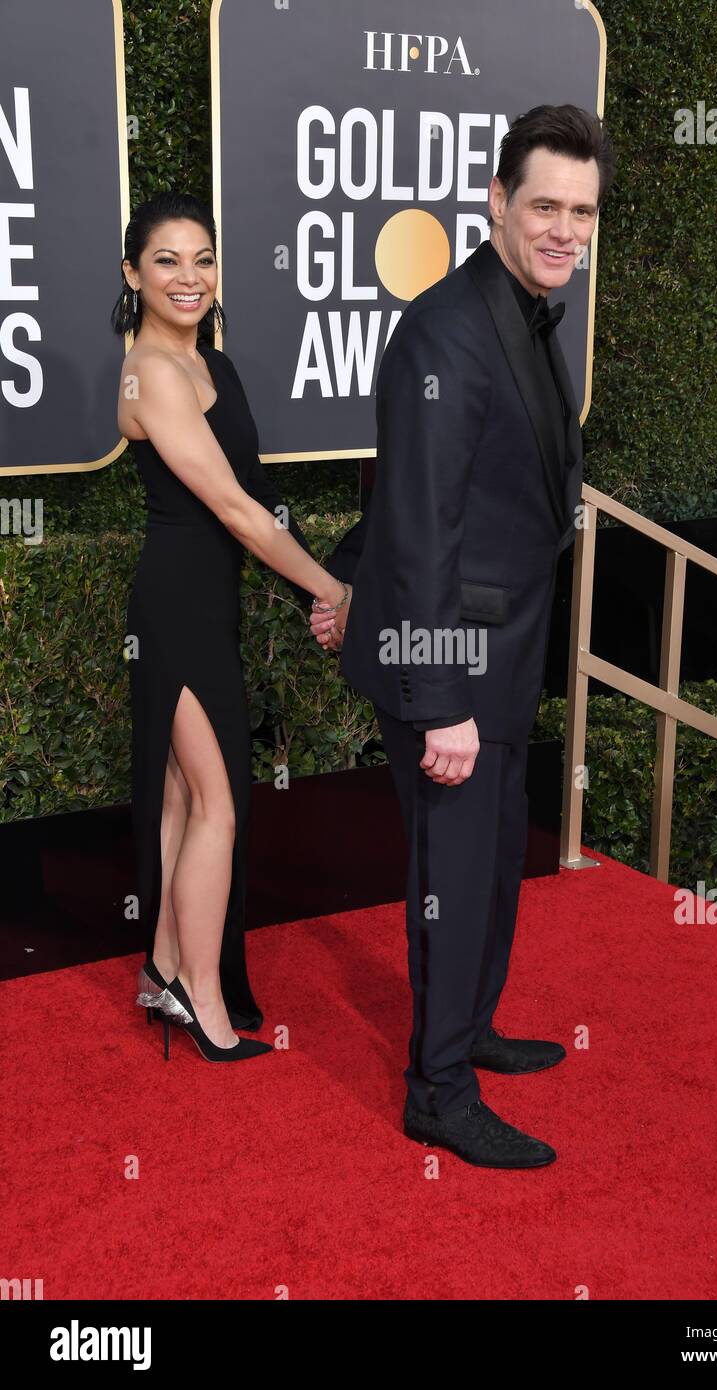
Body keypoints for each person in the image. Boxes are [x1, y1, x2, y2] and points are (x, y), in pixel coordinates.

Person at [313, 105, 615, 1165]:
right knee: (450, 870)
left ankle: (469, 1027)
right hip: (449, 670)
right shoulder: (446, 329)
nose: (562, 228)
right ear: (495, 201)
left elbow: (423, 487)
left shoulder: (525, 311)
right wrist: (438, 696)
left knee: (489, 866)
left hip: (505, 657)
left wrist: (348, 574)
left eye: (579, 211)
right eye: (543, 204)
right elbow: (423, 519)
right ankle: (434, 1090)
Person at [113, 193, 351, 1063]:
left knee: (186, 797)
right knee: (218, 802)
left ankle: (164, 968)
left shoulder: (220, 367)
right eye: (168, 260)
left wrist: (313, 593)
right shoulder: (149, 373)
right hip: (174, 613)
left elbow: (253, 510)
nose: (190, 277)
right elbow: (239, 513)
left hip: (210, 607)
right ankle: (202, 1003)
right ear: (133, 273)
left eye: (203, 258)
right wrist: (333, 589)